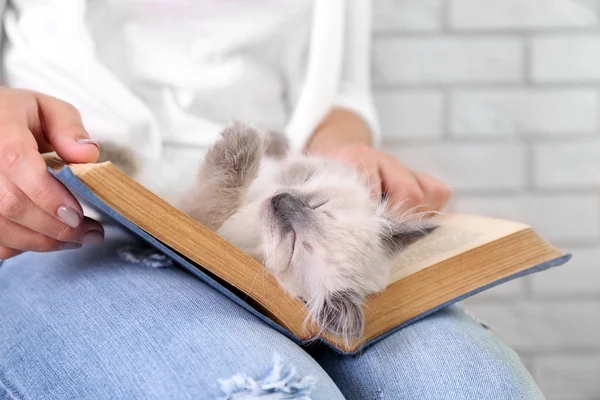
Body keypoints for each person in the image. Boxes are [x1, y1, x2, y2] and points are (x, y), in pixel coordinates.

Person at [0, 1, 544, 398]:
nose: (290, 212)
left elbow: (338, 91)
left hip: (262, 193)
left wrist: (344, 151)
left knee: (477, 388)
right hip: (76, 208)